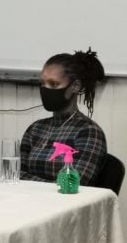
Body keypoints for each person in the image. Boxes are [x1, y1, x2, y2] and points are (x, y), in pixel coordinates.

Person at [20, 48, 106, 185]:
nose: (45, 89)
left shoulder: (88, 131)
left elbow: (73, 183)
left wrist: (30, 183)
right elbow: (16, 174)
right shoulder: (35, 129)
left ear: (75, 86)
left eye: (54, 84)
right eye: (42, 83)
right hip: (28, 203)